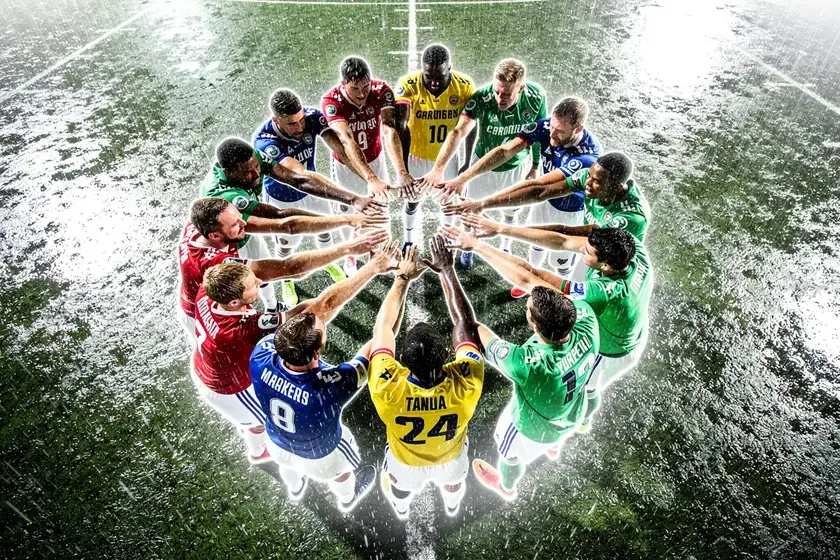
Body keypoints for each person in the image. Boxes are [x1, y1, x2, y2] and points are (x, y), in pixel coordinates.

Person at [192, 241, 401, 468]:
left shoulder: (211, 289)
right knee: (258, 422)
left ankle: (259, 445)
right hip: (227, 388)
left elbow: (310, 308)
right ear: (234, 302)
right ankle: (258, 452)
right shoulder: (245, 333)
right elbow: (321, 308)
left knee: (262, 417)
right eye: (253, 286)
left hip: (206, 364)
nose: (260, 282)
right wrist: (376, 270)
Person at [441, 220, 652, 431]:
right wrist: (499, 230)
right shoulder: (631, 250)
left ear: (606, 265)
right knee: (584, 387)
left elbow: (531, 280)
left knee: (590, 387)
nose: (581, 249)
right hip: (631, 331)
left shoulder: (599, 295)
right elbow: (563, 242)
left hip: (613, 351)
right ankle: (581, 419)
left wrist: (479, 247)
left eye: (587, 251)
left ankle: (581, 421)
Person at [249, 240, 403, 511]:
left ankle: (295, 488)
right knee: (342, 473)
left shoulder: (260, 355)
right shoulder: (333, 386)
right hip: (323, 457)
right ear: (318, 351)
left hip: (276, 443)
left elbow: (314, 312)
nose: (323, 319)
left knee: (288, 466)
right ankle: (347, 497)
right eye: (323, 327)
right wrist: (401, 284)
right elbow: (379, 343)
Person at [369, 239, 484, 519]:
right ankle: (452, 502)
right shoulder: (466, 380)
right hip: (450, 457)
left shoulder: (388, 385)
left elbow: (383, 327)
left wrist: (403, 277)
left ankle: (401, 507)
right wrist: (447, 270)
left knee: (401, 488)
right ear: (448, 353)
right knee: (454, 481)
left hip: (405, 462)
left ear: (402, 363)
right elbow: (464, 324)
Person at [200, 137, 386, 308]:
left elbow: (298, 180)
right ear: (228, 172)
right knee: (262, 278)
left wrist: (353, 200)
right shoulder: (224, 196)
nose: (256, 175)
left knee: (269, 273)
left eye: (257, 167)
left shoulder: (250, 159)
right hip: (231, 244)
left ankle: (273, 305)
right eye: (247, 173)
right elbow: (283, 221)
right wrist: (345, 220)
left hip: (241, 229)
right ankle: (271, 306)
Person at [443, 97, 601, 295]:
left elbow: (539, 188)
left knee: (560, 258)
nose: (552, 134)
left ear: (578, 129)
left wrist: (483, 204)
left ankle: (564, 295)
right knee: (535, 243)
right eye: (552, 126)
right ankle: (531, 284)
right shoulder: (546, 127)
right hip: (544, 203)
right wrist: (464, 178)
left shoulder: (586, 157)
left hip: (569, 210)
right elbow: (505, 151)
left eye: (560, 131)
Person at [176, 197, 387, 343]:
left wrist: (347, 220)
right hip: (204, 315)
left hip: (208, 300)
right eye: (235, 225)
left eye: (239, 216)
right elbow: (292, 269)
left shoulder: (201, 223)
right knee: (285, 335)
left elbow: (286, 224)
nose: (244, 223)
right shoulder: (214, 265)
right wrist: (348, 248)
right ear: (214, 235)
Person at [471, 286, 599, 500]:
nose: (527, 305)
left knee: (508, 453)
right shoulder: (589, 321)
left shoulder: (528, 365)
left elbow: (476, 330)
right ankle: (554, 448)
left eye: (528, 308)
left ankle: (506, 487)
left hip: (533, 431)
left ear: (536, 327)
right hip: (573, 412)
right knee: (560, 411)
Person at [417, 58, 547, 266]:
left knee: (510, 212)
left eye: (506, 94)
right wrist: (439, 168)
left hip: (515, 166)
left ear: (521, 88)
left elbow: (540, 134)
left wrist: (534, 166)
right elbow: (459, 131)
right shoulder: (482, 97)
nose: (499, 98)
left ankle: (505, 247)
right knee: (472, 210)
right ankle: (469, 244)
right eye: (497, 91)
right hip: (482, 168)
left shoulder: (536, 97)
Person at [254, 88, 375, 305]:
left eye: (301, 119)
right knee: (286, 245)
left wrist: (370, 178)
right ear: (276, 120)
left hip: (315, 192)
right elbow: (301, 176)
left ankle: (326, 262)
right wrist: (353, 198)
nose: (300, 126)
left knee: (325, 232)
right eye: (291, 123)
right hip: (284, 198)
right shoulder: (265, 142)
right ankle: (286, 279)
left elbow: (342, 150)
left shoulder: (312, 117)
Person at [321, 56, 411, 274]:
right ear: (343, 84)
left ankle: (378, 252)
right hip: (346, 165)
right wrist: (370, 179)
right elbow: (346, 140)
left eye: (365, 86)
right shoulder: (331, 101)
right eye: (354, 89)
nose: (362, 94)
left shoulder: (381, 91)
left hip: (375, 158)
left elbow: (389, 129)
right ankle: (349, 254)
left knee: (380, 209)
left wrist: (401, 171)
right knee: (349, 212)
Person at [446, 151, 649, 243]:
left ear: (618, 187)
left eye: (597, 181)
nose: (587, 183)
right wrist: (483, 204)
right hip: (596, 249)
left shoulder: (628, 219)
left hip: (615, 267)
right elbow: (540, 192)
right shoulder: (589, 178)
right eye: (589, 176)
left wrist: (502, 229)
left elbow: (566, 235)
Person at [393, 44, 477, 248]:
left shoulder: (464, 86)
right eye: (428, 76)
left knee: (449, 203)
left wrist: (466, 162)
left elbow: (471, 125)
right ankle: (409, 241)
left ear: (450, 67)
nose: (433, 82)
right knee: (412, 200)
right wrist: (402, 169)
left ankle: (449, 237)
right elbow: (400, 125)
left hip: (448, 158)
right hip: (417, 156)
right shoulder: (408, 84)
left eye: (439, 77)